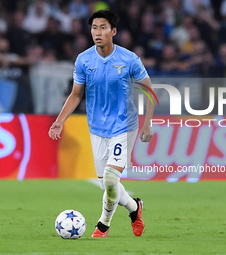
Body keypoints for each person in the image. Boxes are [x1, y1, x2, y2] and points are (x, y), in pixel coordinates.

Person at [48, 10, 154, 238]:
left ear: (113, 31)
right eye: (94, 27)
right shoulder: (84, 60)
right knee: (109, 185)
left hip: (125, 127)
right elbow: (76, 95)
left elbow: (149, 90)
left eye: (103, 27)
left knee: (110, 178)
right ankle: (135, 208)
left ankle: (102, 225)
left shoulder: (129, 59)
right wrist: (59, 121)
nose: (98, 32)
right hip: (97, 128)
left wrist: (148, 124)